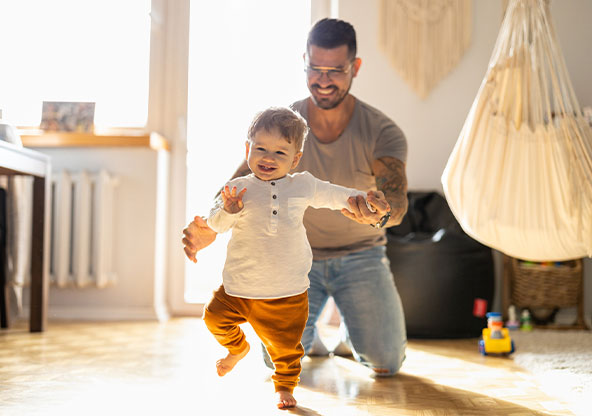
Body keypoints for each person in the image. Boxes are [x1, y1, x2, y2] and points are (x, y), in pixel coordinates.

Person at [183, 18, 408, 378]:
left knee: (386, 362)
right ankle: (312, 337)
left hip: (361, 256)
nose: (323, 80)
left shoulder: (382, 131)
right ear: (304, 61)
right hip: (289, 263)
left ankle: (353, 329)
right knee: (276, 361)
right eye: (315, 69)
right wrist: (211, 224)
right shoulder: (284, 125)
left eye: (335, 70)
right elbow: (237, 184)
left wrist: (379, 214)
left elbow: (396, 202)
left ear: (356, 67)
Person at [201, 106, 390, 409]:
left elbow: (335, 194)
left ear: (295, 158)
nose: (268, 158)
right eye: (260, 148)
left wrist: (365, 198)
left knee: (287, 349)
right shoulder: (237, 189)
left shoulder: (302, 185)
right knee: (214, 318)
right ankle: (237, 349)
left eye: (279, 153)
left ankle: (284, 387)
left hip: (287, 291)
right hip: (238, 288)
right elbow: (215, 224)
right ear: (247, 148)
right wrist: (228, 211)